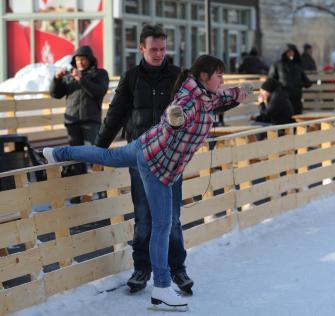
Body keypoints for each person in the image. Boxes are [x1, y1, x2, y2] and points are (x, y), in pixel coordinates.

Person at [42, 55, 249, 310]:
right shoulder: (189, 100)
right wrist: (176, 118)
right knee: (162, 224)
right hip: (155, 165)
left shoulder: (204, 94)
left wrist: (237, 93)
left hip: (145, 145)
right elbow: (179, 111)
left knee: (106, 156)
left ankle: (56, 153)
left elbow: (219, 98)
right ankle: (162, 287)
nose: (222, 80)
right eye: (219, 75)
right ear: (205, 77)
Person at [93, 24, 192, 294]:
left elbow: (199, 106)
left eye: (162, 49)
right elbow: (115, 115)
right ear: (141, 48)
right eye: (153, 49)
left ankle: (178, 269)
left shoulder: (178, 76)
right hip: (141, 156)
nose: (159, 54)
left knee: (171, 216)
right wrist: (100, 149)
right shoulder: (131, 78)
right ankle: (141, 268)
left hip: (171, 157)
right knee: (144, 215)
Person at [49, 45, 109, 203]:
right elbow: (55, 94)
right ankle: (78, 195)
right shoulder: (69, 75)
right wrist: (56, 79)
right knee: (76, 160)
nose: (80, 62)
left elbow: (99, 92)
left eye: (83, 59)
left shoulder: (100, 74)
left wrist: (81, 79)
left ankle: (100, 192)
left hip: (91, 121)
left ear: (90, 60)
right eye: (77, 59)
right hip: (72, 122)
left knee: (95, 156)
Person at [268, 43, 312, 114]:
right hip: (283, 97)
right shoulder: (277, 65)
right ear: (285, 53)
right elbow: (271, 81)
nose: (291, 54)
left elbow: (306, 81)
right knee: (286, 117)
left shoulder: (297, 65)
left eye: (292, 52)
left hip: (296, 97)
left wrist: (301, 84)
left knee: (297, 118)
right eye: (289, 51)